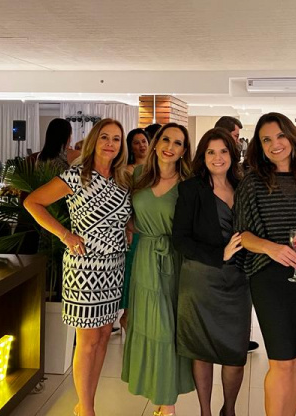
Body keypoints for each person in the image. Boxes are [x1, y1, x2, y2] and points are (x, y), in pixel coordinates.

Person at [24, 119, 131, 416]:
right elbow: (33, 202)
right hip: (84, 267)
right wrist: (64, 234)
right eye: (105, 137)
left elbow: (124, 217)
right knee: (87, 340)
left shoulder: (123, 179)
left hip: (114, 266)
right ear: (94, 140)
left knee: (103, 335)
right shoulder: (76, 175)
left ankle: (86, 402)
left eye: (116, 139)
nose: (110, 144)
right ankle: (87, 409)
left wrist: (128, 228)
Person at [235, 112, 296, 416]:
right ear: (259, 145)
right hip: (269, 278)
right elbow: (242, 235)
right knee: (280, 360)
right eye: (266, 139)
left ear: (292, 137)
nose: (274, 144)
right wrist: (271, 248)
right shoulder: (252, 182)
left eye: (280, 136)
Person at [173, 128, 251, 416]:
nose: (218, 158)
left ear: (232, 154)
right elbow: (180, 239)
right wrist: (220, 254)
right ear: (202, 156)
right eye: (211, 152)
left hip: (238, 282)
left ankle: (228, 410)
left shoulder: (245, 186)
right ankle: (205, 411)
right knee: (202, 351)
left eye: (223, 151)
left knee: (235, 355)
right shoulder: (191, 189)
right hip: (201, 282)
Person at [121, 123, 195, 416]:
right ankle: (159, 396)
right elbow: (125, 213)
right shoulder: (137, 175)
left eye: (178, 143)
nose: (170, 147)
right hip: (144, 257)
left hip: (175, 260)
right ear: (156, 142)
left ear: (184, 150)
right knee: (148, 326)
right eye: (166, 139)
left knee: (167, 328)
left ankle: (168, 405)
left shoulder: (189, 182)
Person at [214, 115, 260, 352]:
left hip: (242, 251)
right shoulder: (201, 179)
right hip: (214, 252)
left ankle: (240, 338)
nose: (238, 141)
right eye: (235, 136)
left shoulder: (238, 173)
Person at [119, 127, 151, 332]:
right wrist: (128, 227)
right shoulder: (128, 170)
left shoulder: (155, 168)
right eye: (136, 142)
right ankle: (127, 316)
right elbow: (125, 202)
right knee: (133, 273)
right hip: (135, 227)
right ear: (130, 147)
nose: (141, 146)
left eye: (144, 141)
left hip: (152, 228)